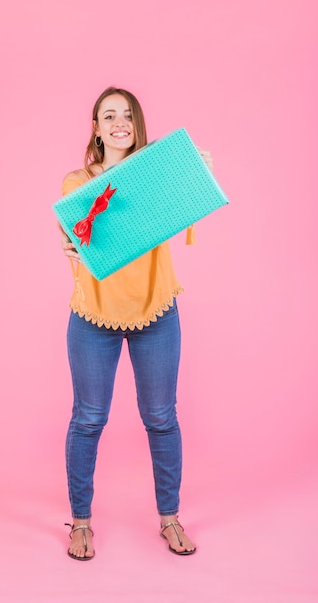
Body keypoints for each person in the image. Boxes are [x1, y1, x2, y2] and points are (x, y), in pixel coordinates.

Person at [58, 86, 213, 560]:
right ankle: (80, 524)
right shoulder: (76, 183)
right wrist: (71, 248)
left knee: (161, 418)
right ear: (96, 127)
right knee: (88, 419)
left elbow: (189, 200)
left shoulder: (156, 176)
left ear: (137, 123)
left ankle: (170, 519)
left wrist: (194, 169)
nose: (120, 122)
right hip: (94, 315)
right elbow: (85, 245)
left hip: (156, 310)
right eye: (109, 115)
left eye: (128, 115)